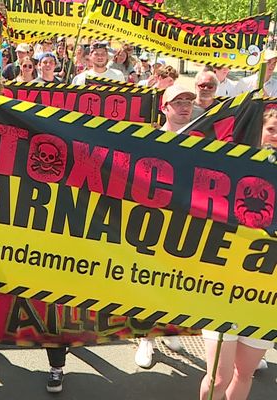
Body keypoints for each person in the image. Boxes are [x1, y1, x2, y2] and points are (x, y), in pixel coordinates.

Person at [134, 85, 196, 369]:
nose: (184, 106)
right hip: (154, 218)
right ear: (164, 107)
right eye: (178, 102)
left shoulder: (202, 141)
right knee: (149, 279)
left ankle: (171, 328)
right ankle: (146, 338)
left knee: (179, 280)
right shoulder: (150, 138)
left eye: (189, 101)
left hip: (187, 221)